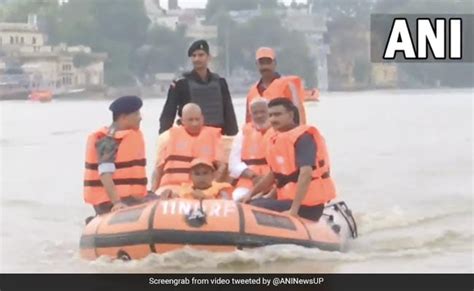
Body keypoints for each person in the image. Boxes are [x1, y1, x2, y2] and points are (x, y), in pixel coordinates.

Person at [239, 98, 336, 221]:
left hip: (308, 205)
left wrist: (294, 210)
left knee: (254, 206)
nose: (273, 119)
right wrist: (249, 194)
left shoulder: (303, 138)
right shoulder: (277, 138)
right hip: (288, 200)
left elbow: (306, 174)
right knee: (248, 202)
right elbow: (274, 174)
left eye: (278, 114)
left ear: (290, 115)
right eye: (271, 115)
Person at [83, 96, 157, 215]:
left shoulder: (128, 136)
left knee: (164, 200)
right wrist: (116, 203)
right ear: (123, 117)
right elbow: (105, 174)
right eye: (137, 114)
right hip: (109, 202)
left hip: (131, 198)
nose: (140, 118)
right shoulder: (108, 141)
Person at [159, 39, 238, 136]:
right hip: (189, 138)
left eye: (201, 55)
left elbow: (229, 113)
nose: (197, 59)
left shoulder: (220, 82)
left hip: (216, 138)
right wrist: (163, 138)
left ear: (208, 57)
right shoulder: (181, 83)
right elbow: (168, 114)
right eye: (194, 56)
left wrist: (233, 138)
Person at [152, 103, 226, 194]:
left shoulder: (213, 136)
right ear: (182, 121)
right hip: (172, 187)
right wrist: (153, 193)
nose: (195, 123)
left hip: (203, 188)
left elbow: (222, 167)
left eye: (197, 119)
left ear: (202, 119)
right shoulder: (168, 136)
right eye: (190, 120)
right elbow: (158, 170)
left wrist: (211, 186)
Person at [245, 47, 307, 125]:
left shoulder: (287, 86)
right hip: (261, 136)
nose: (265, 66)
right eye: (261, 63)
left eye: (268, 62)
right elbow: (248, 121)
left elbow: (299, 114)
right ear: (257, 65)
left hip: (283, 134)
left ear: (275, 63)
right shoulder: (252, 92)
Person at [228, 97, 274, 200]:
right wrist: (253, 176)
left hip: (273, 184)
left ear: (270, 112)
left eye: (263, 112)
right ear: (250, 115)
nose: (259, 115)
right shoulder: (244, 132)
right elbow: (233, 164)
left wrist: (266, 181)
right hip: (248, 182)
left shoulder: (278, 131)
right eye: (255, 113)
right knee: (237, 197)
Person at [161, 158, 233, 200]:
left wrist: (205, 198)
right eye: (197, 174)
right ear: (190, 176)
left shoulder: (223, 187)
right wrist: (169, 195)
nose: (201, 177)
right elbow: (176, 199)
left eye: (205, 173)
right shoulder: (184, 189)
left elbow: (227, 203)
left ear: (213, 174)